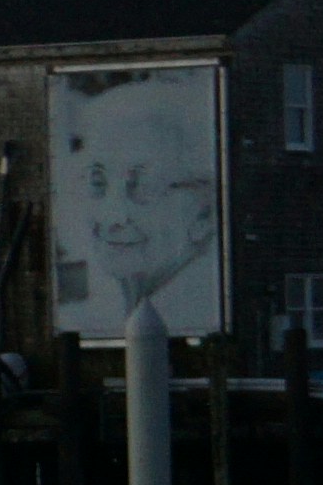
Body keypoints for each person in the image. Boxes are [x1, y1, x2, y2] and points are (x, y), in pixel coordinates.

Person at [50, 69, 226, 337]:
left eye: (144, 186)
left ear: (205, 213)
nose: (113, 217)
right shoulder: (86, 316)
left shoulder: (202, 316)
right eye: (97, 182)